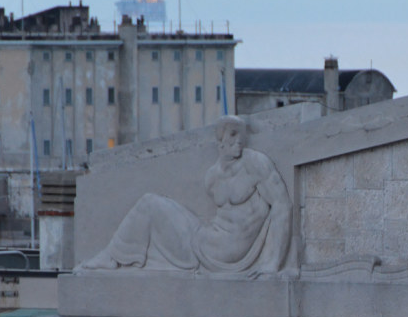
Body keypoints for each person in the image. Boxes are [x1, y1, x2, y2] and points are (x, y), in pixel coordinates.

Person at [81, 115, 291, 276]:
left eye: (241, 135)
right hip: (205, 243)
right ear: (220, 139)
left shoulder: (256, 163)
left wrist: (273, 263)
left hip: (225, 252)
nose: (240, 141)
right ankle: (113, 257)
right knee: (150, 203)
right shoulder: (213, 176)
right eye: (233, 134)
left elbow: (282, 206)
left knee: (149, 204)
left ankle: (111, 257)